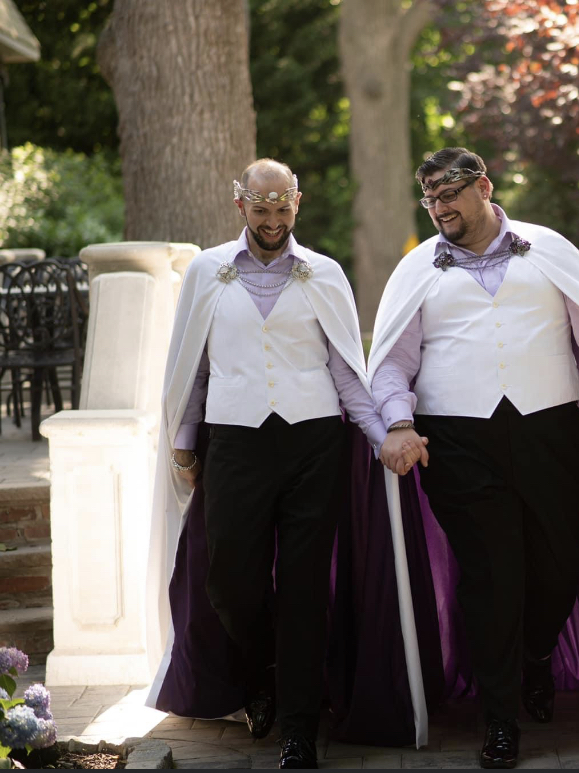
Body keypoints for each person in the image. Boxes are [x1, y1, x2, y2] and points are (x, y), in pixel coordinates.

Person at [368, 148, 579, 769]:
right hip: (457, 440)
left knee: (559, 565)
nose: (440, 208)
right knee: (491, 574)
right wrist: (397, 421)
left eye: (449, 195)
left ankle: (535, 656)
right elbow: (393, 360)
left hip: (550, 432)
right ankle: (501, 720)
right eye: (430, 199)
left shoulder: (548, 249)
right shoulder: (416, 269)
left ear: (483, 188)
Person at [143, 159, 416, 769]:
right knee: (229, 583)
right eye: (261, 209)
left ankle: (298, 727)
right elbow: (193, 366)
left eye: (282, 208)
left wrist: (381, 437)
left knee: (303, 586)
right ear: (241, 204)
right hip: (234, 443)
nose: (272, 220)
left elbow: (346, 369)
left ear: (298, 203)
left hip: (313, 445)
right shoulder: (208, 271)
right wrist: (184, 446)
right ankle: (262, 670)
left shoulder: (325, 273)